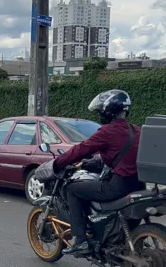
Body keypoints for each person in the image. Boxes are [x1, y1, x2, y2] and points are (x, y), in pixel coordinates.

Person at [51, 89, 145, 256]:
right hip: (138, 183)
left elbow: (80, 150)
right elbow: (123, 155)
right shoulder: (135, 129)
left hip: (118, 186)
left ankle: (81, 242)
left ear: (107, 111)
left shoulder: (107, 132)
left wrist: (57, 162)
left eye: (100, 111)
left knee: (72, 189)